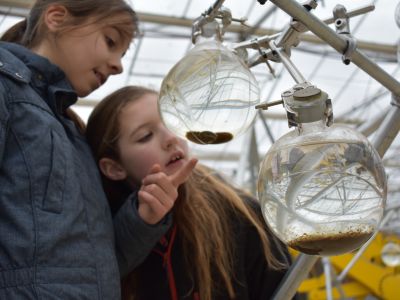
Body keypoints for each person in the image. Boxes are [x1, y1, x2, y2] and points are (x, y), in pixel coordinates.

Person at [0, 1, 195, 299]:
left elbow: (96, 268)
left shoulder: (72, 134)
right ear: (56, 18)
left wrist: (143, 219)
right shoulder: (6, 89)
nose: (118, 65)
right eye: (111, 41)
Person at [86, 85, 293, 300]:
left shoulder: (240, 213)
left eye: (170, 121)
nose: (170, 138)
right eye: (145, 136)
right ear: (114, 168)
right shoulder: (100, 237)